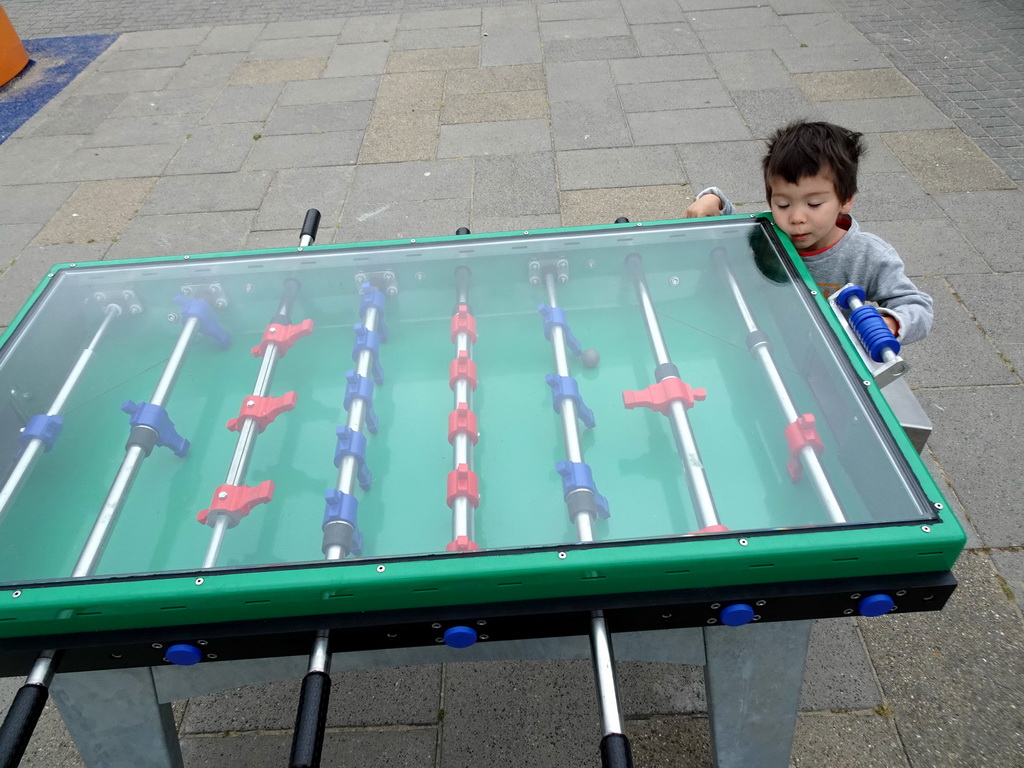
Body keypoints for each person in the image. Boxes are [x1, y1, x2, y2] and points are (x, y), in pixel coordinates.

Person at [684, 120, 932, 344]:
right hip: (760, 340)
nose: (796, 218)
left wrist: (891, 323)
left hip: (829, 358)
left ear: (845, 200)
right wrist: (712, 198)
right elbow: (736, 226)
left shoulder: (867, 255)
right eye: (782, 204)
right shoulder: (769, 233)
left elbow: (917, 306)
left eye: (814, 204)